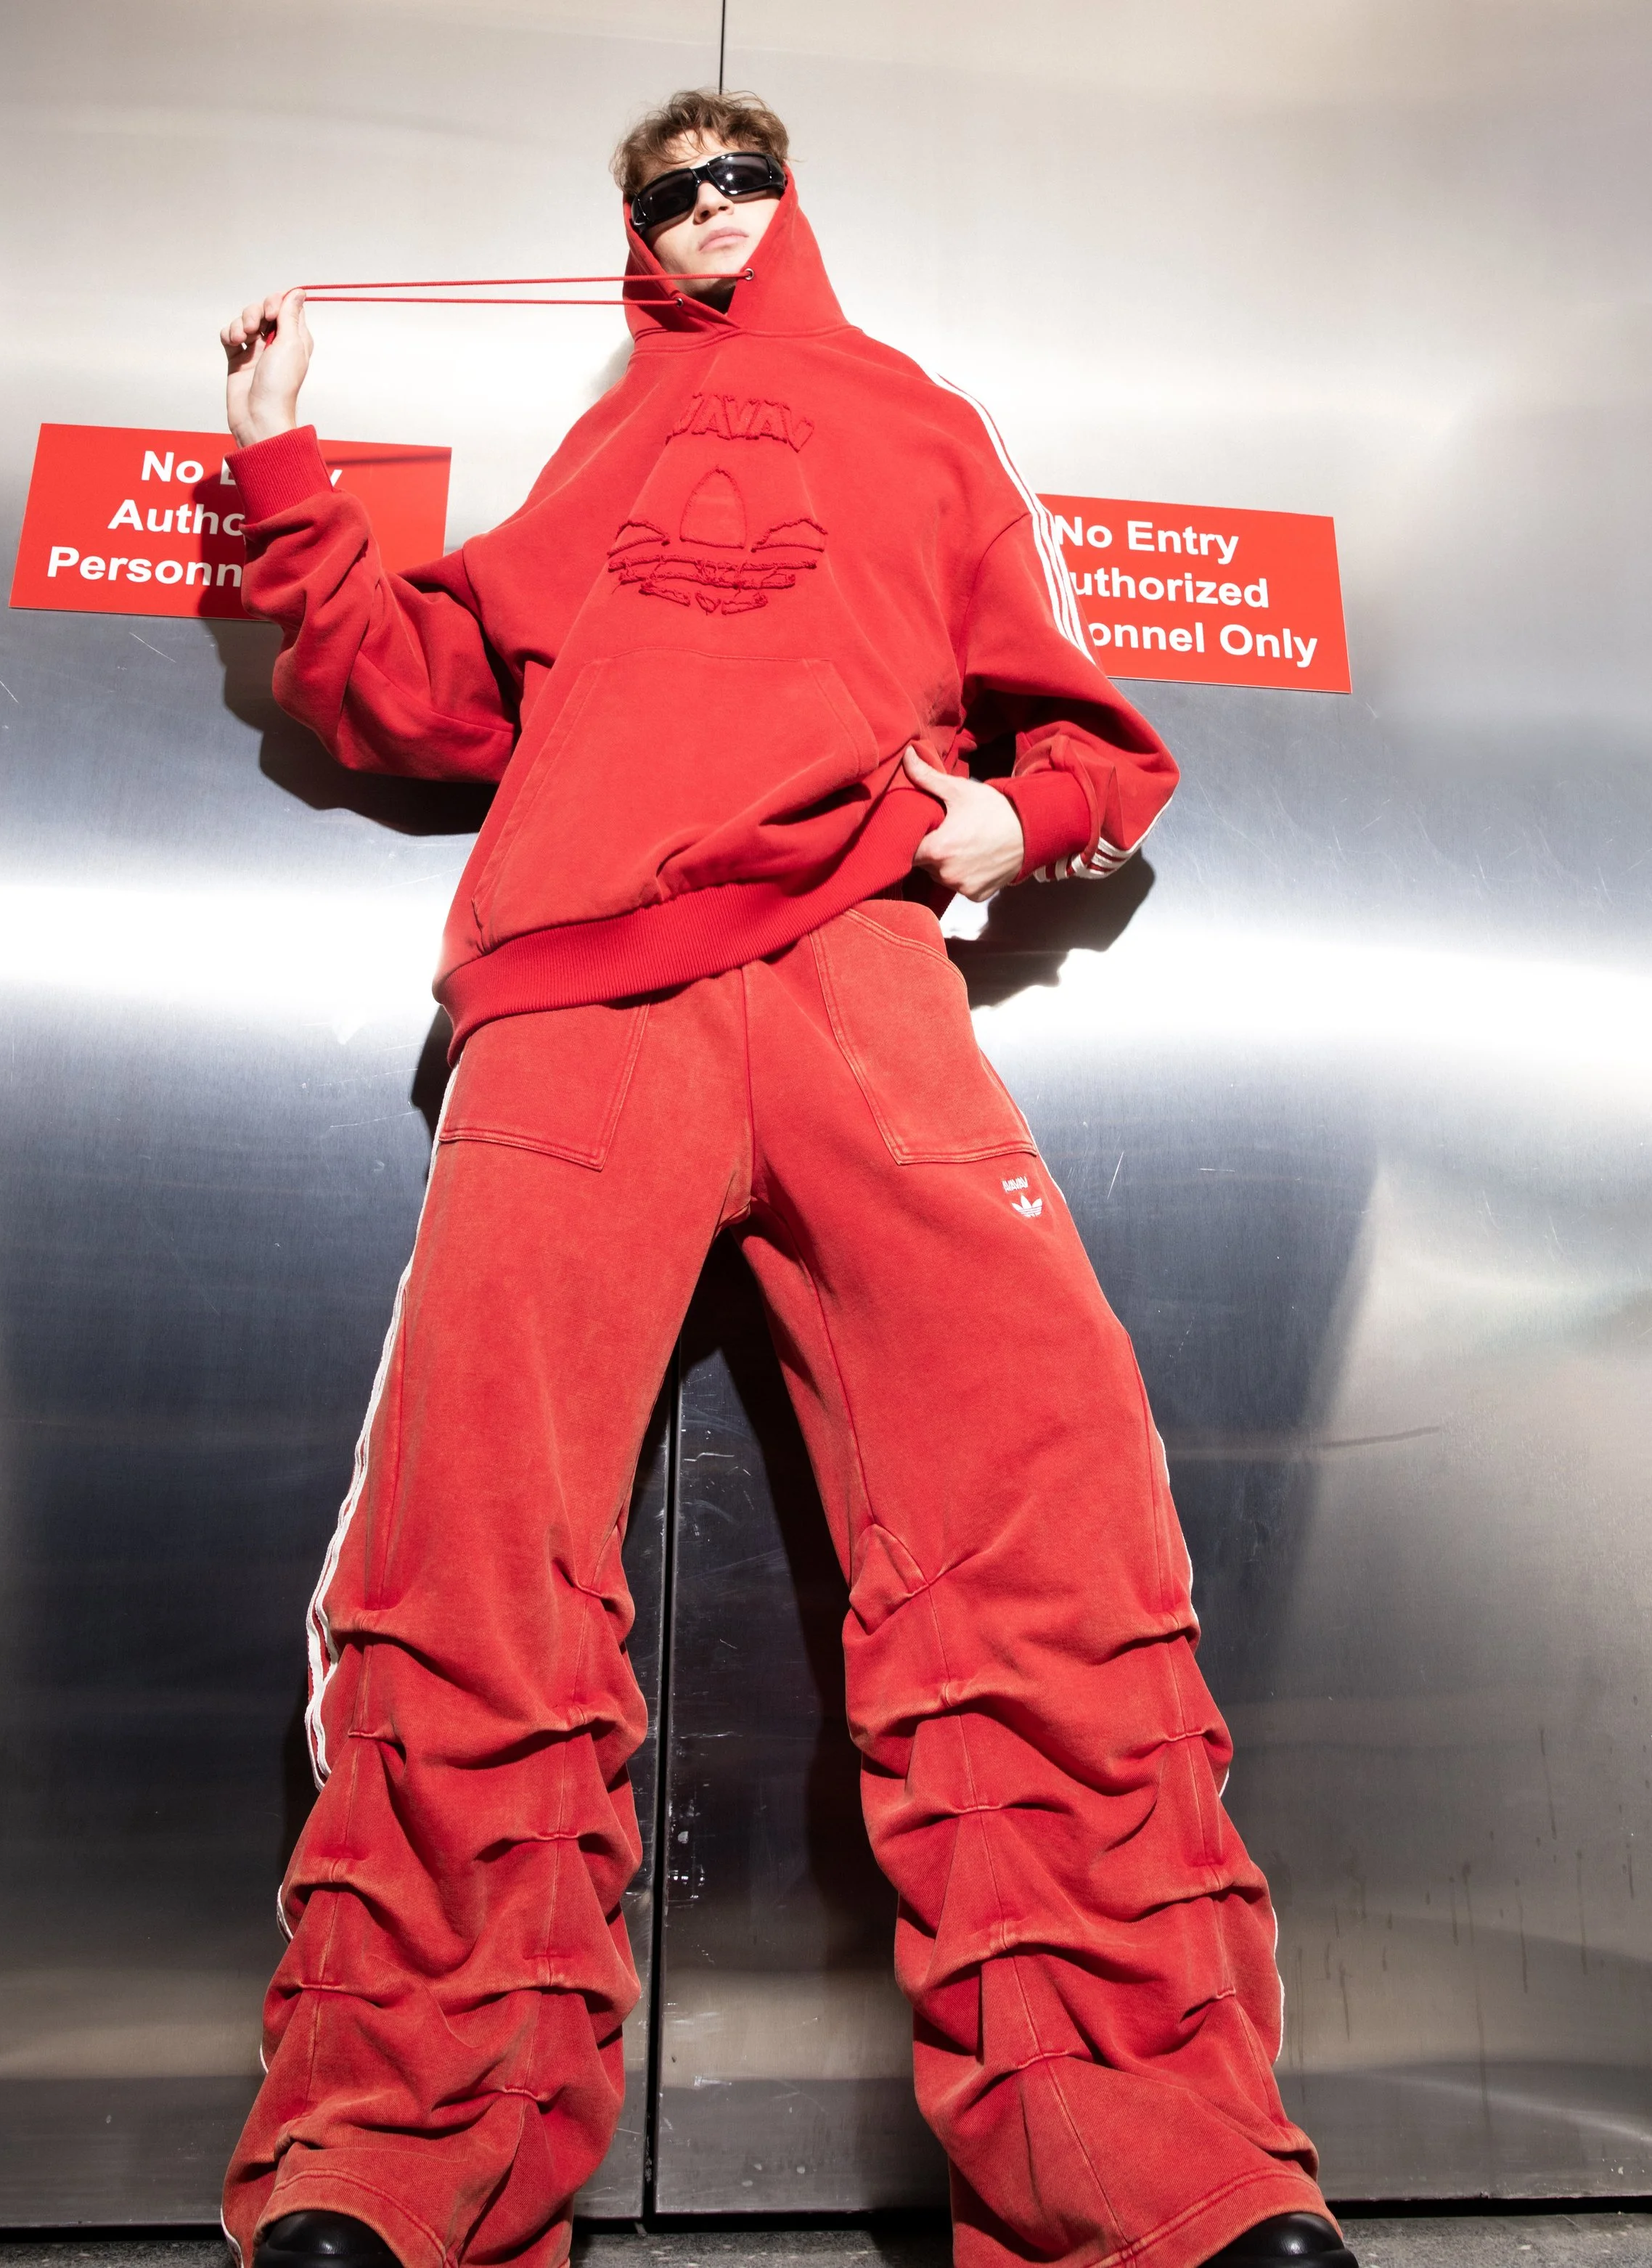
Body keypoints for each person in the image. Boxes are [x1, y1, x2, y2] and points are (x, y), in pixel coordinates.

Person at [216, 87, 1352, 2268]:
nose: (710, 214)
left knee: (1050, 1521)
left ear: (793, 195)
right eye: (669, 189)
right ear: (632, 225)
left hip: (855, 983)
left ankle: (1157, 2171)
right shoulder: (589, 459)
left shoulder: (918, 426)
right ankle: (397, 2154)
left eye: (741, 177)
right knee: (471, 1549)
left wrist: (1005, 826)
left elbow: (1092, 735)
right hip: (575, 1001)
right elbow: (398, 685)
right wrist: (287, 464)